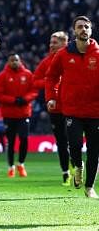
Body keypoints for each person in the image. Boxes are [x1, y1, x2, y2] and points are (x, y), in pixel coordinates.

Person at [46, 16, 99, 199]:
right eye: (79, 27)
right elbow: (51, 76)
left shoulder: (98, 53)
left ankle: (89, 187)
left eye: (86, 27)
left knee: (94, 151)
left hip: (95, 111)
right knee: (75, 145)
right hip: (72, 110)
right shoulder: (63, 54)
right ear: (74, 31)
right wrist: (51, 97)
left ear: (91, 31)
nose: (83, 29)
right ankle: (77, 165)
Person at [33, 31, 71, 185]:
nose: (51, 45)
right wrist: (51, 82)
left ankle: (77, 167)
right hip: (55, 108)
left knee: (74, 140)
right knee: (61, 142)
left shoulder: (72, 58)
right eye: (50, 42)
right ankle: (66, 173)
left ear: (64, 43)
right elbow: (35, 81)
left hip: (72, 105)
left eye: (54, 42)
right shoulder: (46, 62)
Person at [0, 53, 37, 177]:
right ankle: (11, 167)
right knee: (10, 142)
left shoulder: (28, 74)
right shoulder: (2, 76)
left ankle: (21, 164)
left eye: (16, 60)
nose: (14, 62)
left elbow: (34, 91)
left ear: (20, 61)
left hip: (24, 114)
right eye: (11, 60)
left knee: (24, 139)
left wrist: (25, 99)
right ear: (8, 62)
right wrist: (13, 100)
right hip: (9, 115)